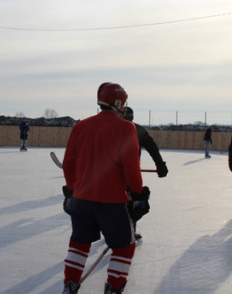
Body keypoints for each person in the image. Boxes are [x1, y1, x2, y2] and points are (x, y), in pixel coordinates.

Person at [61, 82, 144, 294]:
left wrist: (72, 191)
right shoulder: (126, 127)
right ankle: (114, 288)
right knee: (125, 247)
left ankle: (69, 285)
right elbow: (131, 168)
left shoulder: (81, 126)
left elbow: (68, 162)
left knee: (79, 243)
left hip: (81, 199)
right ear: (118, 102)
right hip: (112, 201)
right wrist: (138, 194)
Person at [122, 106, 167, 239]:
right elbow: (152, 148)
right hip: (128, 173)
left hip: (120, 173)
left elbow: (152, 147)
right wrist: (160, 165)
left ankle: (117, 231)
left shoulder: (114, 129)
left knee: (122, 202)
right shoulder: (137, 129)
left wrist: (160, 165)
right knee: (132, 202)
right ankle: (127, 231)